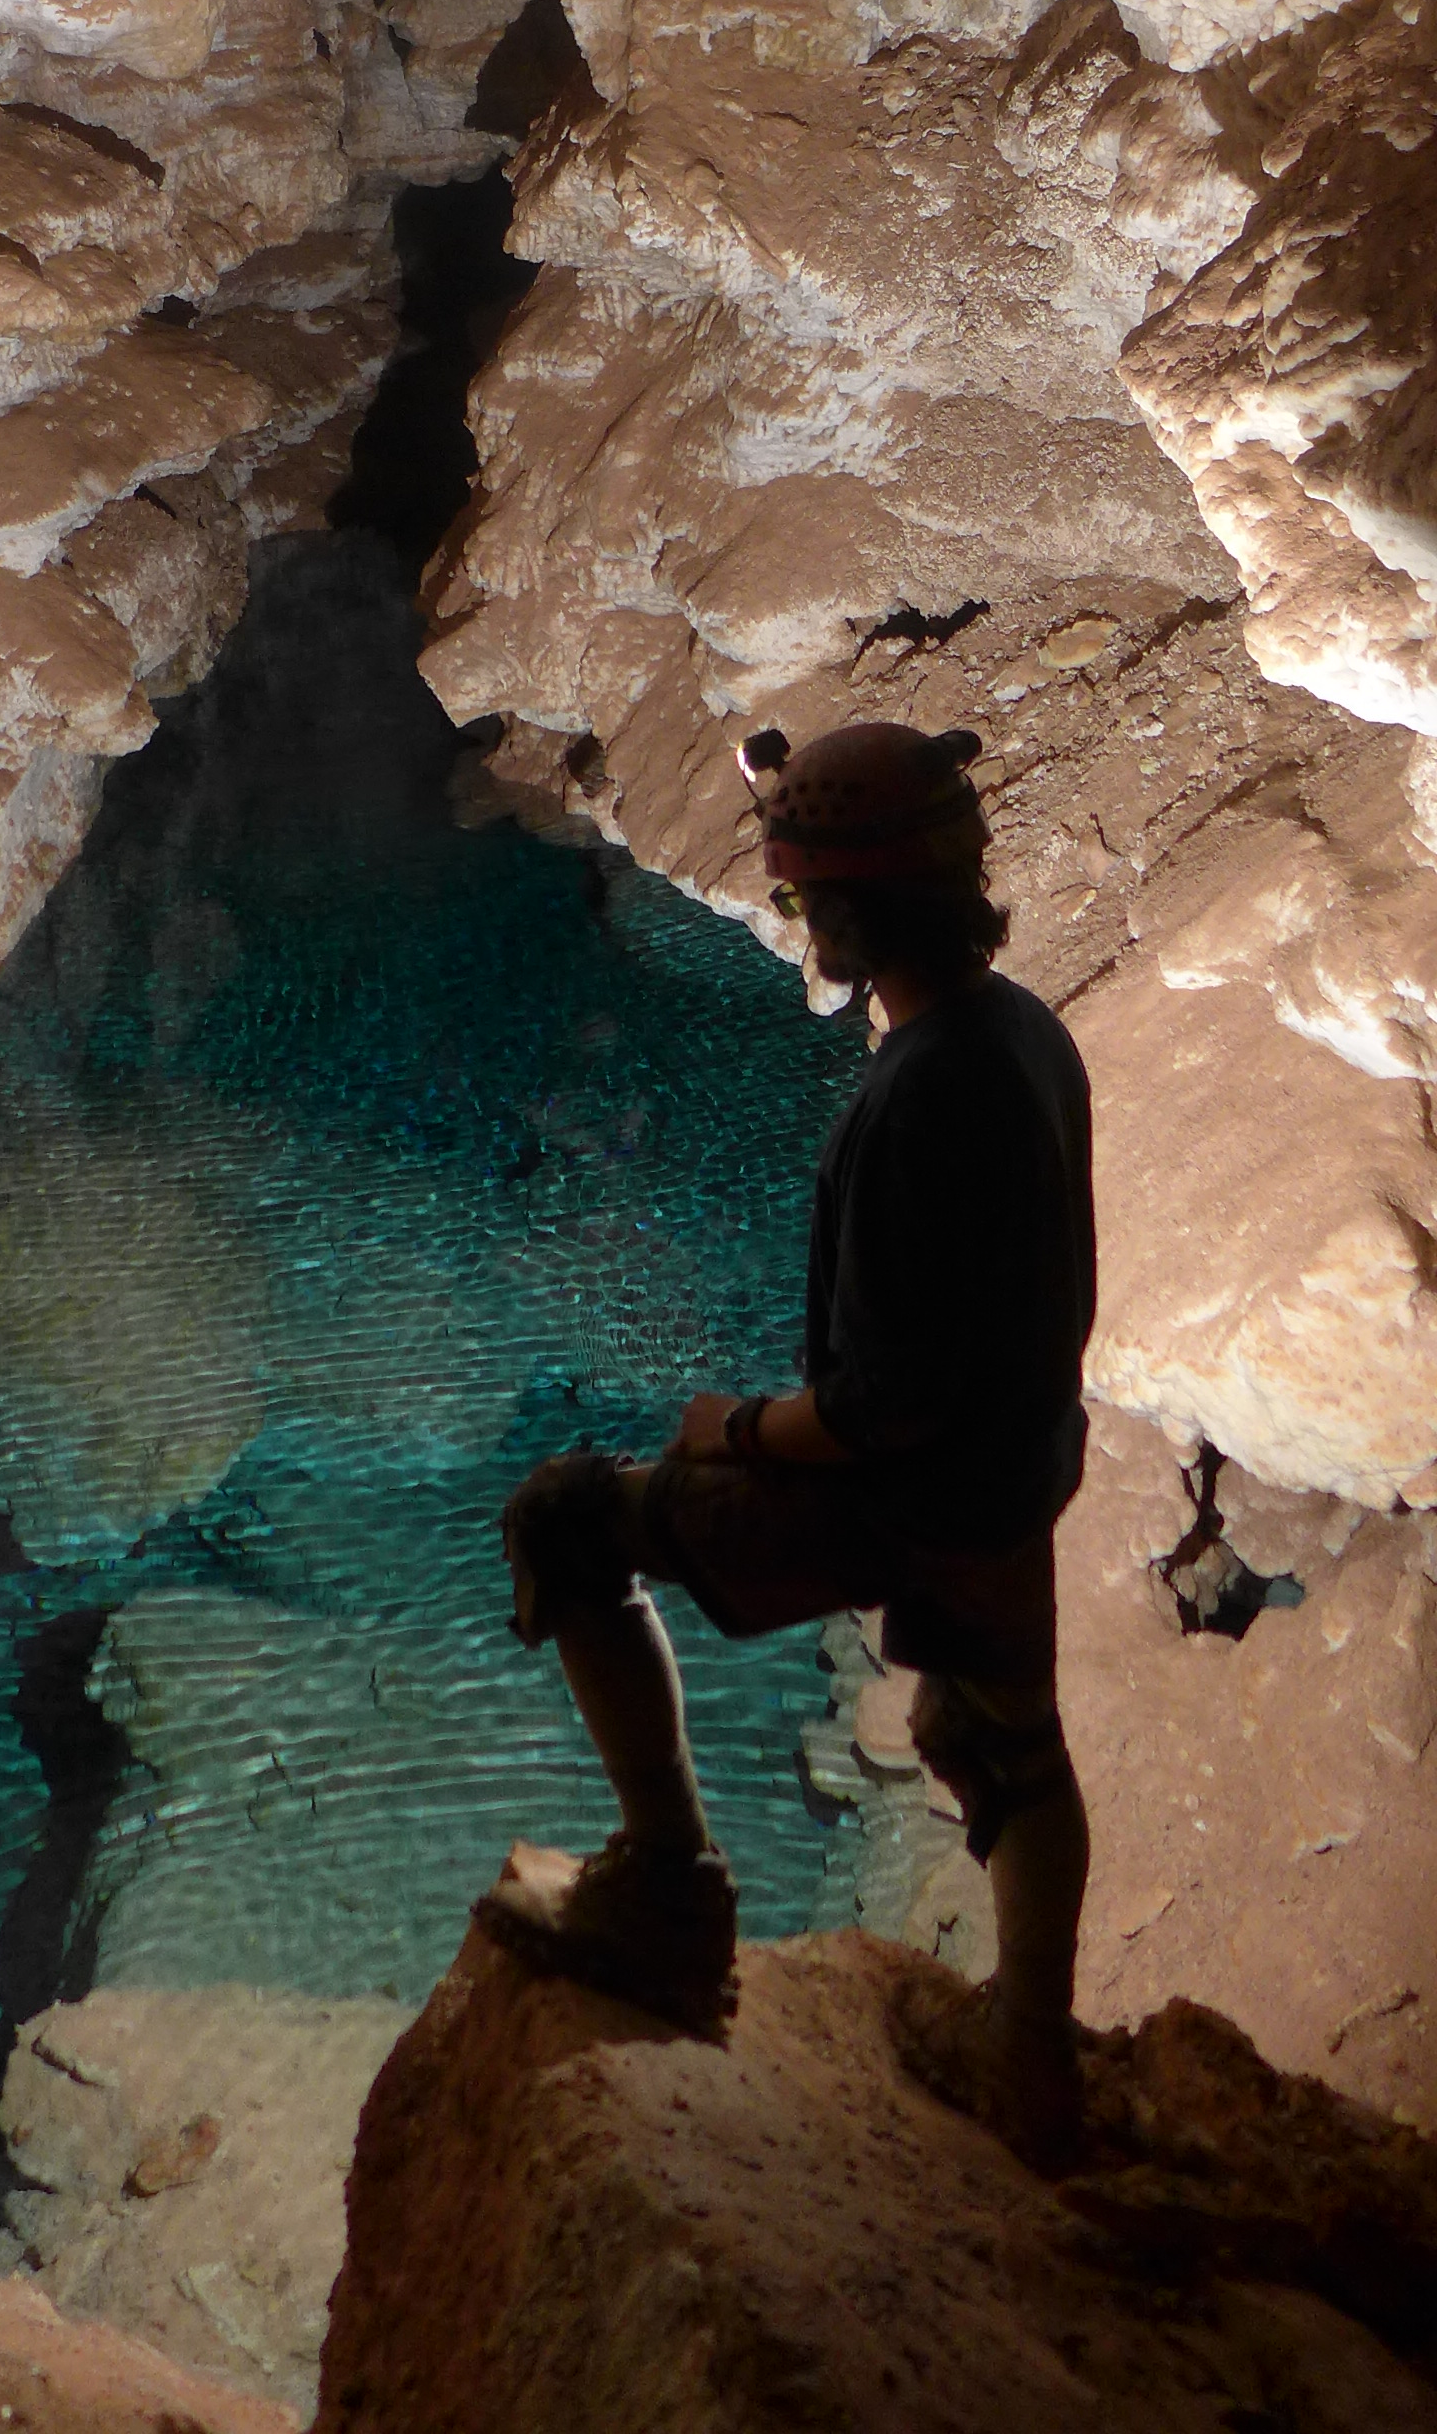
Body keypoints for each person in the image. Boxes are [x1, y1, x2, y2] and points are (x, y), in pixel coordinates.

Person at [484, 718, 1097, 2167]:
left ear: (854, 909)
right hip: (1015, 1471)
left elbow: (888, 1405)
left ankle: (668, 1894)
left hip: (913, 1489)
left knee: (567, 1520)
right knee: (1010, 1752)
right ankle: (1035, 2068)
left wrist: (740, 1427)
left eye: (806, 897)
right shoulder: (1024, 1033)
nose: (800, 921)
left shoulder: (925, 1096)